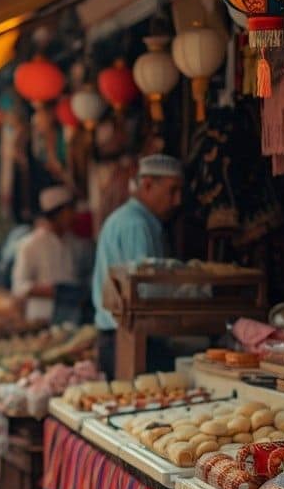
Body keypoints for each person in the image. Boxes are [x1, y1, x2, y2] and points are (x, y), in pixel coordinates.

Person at [90, 154, 184, 378]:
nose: (177, 200)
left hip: (121, 336)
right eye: (172, 191)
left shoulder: (133, 219)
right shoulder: (136, 224)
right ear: (148, 185)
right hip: (129, 339)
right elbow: (145, 289)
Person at [11, 185, 80, 323]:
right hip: (42, 318)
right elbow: (19, 287)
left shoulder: (73, 243)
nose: (73, 215)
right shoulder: (31, 245)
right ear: (57, 214)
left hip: (73, 317)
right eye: (69, 211)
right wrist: (54, 291)